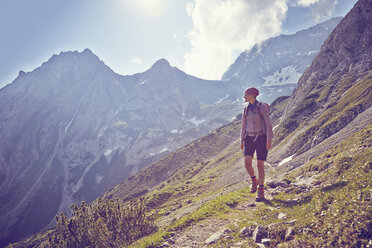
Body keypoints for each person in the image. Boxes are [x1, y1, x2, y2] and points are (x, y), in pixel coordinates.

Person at [240, 87, 273, 201]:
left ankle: (261, 189)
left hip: (261, 138)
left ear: (252, 95)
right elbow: (243, 125)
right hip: (249, 137)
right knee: (247, 163)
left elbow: (268, 124)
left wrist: (269, 139)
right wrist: (241, 140)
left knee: (260, 164)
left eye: (246, 95)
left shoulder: (262, 107)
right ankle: (254, 180)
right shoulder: (245, 109)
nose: (244, 97)